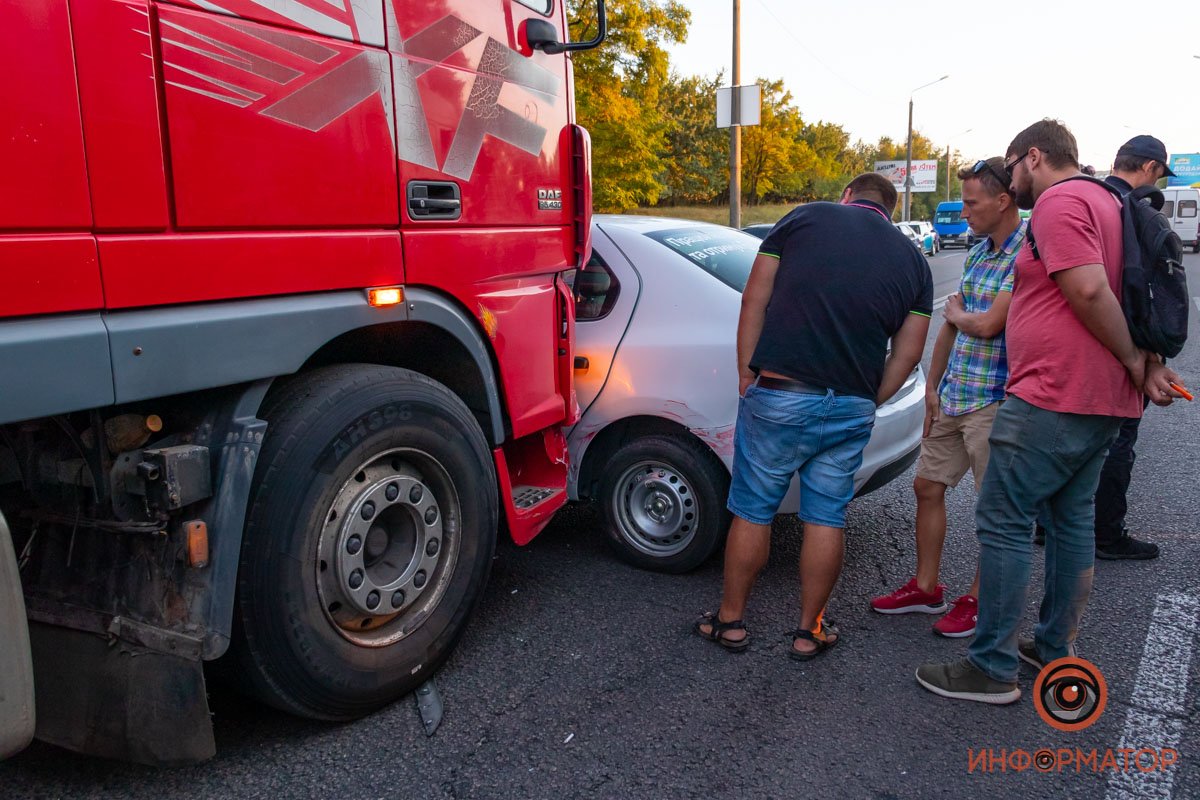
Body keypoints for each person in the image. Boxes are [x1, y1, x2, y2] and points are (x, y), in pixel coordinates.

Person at [916, 119, 1184, 704]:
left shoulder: (1062, 202)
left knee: (1005, 520)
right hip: (1101, 400)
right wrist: (1140, 363)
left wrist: (1136, 359)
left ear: (1033, 157)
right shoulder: (1108, 202)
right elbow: (1128, 290)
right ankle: (1053, 646)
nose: (1011, 181)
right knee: (1070, 522)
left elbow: (1089, 291)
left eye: (1012, 168)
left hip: (1053, 394)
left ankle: (990, 667)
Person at [694, 173, 932, 660]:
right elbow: (907, 354)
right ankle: (809, 631)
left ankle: (731, 621)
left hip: (781, 392)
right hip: (850, 404)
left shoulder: (806, 217)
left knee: (753, 509)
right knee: (826, 517)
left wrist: (746, 372)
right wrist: (871, 398)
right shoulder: (915, 261)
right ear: (889, 208)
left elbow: (755, 297)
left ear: (849, 195)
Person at [871, 158, 1025, 639]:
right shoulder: (980, 251)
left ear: (1003, 201)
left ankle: (980, 600)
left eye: (972, 203)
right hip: (957, 395)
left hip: (995, 401)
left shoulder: (1025, 253)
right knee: (927, 486)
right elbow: (953, 328)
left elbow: (987, 323)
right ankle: (926, 586)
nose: (965, 212)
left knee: (994, 510)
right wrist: (933, 388)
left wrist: (961, 317)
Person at [1035, 135, 1178, 560]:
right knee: (1116, 442)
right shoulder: (1129, 210)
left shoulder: (1082, 199)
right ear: (1150, 169)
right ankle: (1106, 533)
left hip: (1058, 349)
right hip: (1116, 349)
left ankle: (1047, 523)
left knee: (1062, 441)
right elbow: (1130, 291)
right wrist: (1144, 356)